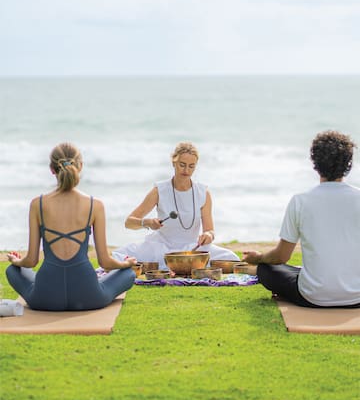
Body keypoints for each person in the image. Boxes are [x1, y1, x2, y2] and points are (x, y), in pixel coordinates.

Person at [6, 142, 136, 311]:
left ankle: (49, 283)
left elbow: (31, 261)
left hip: (44, 299)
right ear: (80, 166)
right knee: (128, 274)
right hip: (89, 297)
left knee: (12, 270)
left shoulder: (37, 204)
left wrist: (16, 261)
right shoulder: (95, 205)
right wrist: (125, 264)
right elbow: (105, 262)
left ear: (52, 169)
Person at [243, 130, 360, 308]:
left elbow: (281, 257)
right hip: (356, 298)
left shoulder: (301, 201)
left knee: (266, 268)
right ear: (348, 164)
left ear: (315, 163)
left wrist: (258, 258)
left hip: (313, 298)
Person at [113, 142, 240, 270]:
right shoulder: (159, 190)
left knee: (232, 258)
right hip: (161, 247)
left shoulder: (203, 193)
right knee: (118, 256)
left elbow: (210, 230)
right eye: (182, 165)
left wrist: (208, 235)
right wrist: (148, 222)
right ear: (173, 162)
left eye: (191, 166)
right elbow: (128, 222)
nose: (186, 170)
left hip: (192, 248)